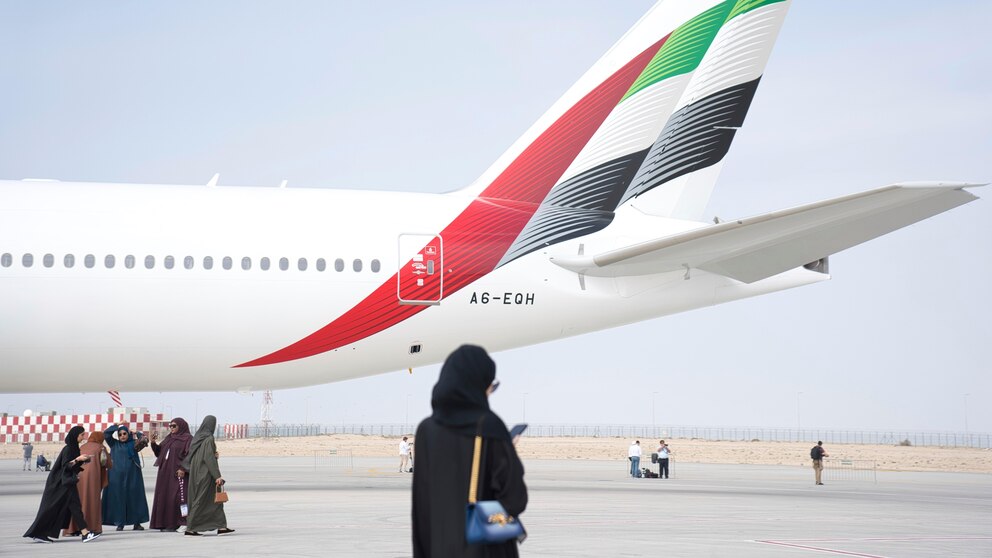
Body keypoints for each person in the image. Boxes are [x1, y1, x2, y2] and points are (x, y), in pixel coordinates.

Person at [412, 344, 527, 558]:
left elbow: (421, 509)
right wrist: (508, 452)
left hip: (439, 548)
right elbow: (515, 499)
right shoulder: (489, 427)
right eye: (490, 385)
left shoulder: (425, 430)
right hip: (485, 550)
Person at [24, 425, 102, 543]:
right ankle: (84, 533)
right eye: (81, 435)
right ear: (75, 435)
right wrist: (78, 460)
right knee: (58, 508)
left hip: (67, 482)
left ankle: (84, 532)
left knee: (73, 507)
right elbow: (66, 465)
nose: (83, 437)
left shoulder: (74, 448)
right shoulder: (68, 449)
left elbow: (71, 467)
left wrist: (83, 460)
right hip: (61, 483)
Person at [181, 415, 234, 536]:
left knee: (214, 502)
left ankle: (221, 526)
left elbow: (200, 455)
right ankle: (191, 527)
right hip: (205, 475)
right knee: (200, 500)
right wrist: (217, 476)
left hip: (196, 474)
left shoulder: (197, 438)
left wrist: (213, 455)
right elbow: (208, 458)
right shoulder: (209, 438)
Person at [102, 422, 150, 530]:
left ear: (128, 434)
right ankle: (120, 523)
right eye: (120, 434)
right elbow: (106, 434)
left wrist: (136, 432)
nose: (122, 436)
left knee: (135, 498)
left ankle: (136, 523)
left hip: (133, 476)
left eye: (125, 434)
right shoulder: (114, 444)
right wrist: (116, 425)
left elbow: (145, 440)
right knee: (119, 499)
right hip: (117, 477)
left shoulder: (134, 443)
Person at [150, 418, 193, 531]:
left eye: (174, 426)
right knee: (165, 496)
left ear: (181, 426)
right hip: (165, 473)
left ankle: (180, 522)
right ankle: (165, 523)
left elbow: (190, 455)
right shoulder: (169, 438)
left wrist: (183, 468)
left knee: (178, 498)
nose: (172, 428)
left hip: (178, 473)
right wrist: (153, 443)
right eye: (170, 426)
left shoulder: (188, 439)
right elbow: (159, 452)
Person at [66, 431, 113, 536]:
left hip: (77, 477)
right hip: (93, 479)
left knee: (77, 503)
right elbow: (108, 464)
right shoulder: (100, 448)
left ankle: (72, 529)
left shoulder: (81, 447)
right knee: (92, 502)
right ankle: (93, 527)